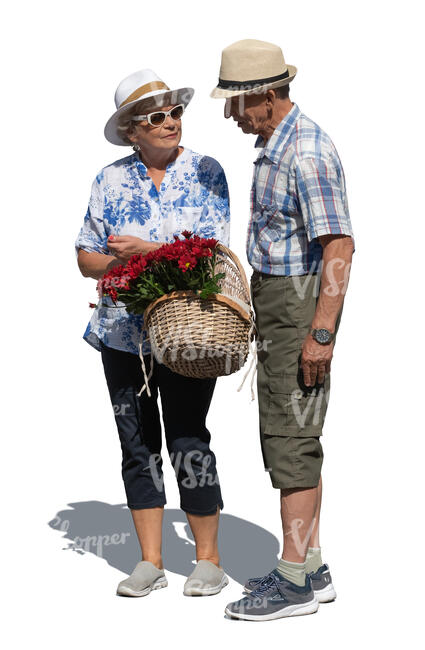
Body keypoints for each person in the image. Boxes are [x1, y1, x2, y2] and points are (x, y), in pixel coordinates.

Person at [210, 39, 355, 621]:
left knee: (292, 439)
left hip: (298, 305)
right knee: (289, 432)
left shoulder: (307, 152)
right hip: (279, 300)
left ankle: (292, 580)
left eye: (238, 105)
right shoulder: (278, 141)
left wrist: (321, 333)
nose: (233, 117)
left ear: (265, 96)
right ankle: (312, 566)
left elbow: (339, 244)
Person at [75, 68, 231, 598]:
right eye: (156, 117)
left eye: (175, 113)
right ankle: (150, 562)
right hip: (122, 333)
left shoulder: (207, 171)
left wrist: (147, 253)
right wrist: (111, 265)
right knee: (137, 443)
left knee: (189, 437)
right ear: (131, 130)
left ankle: (207, 560)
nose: (171, 123)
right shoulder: (109, 179)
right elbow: (85, 255)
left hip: (186, 332)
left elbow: (212, 252)